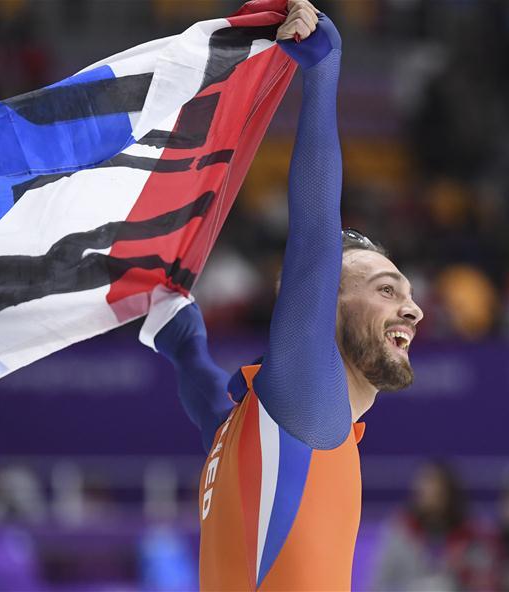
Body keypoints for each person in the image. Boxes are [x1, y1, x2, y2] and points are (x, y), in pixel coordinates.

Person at [138, 1, 424, 588]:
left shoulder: (259, 428)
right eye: (386, 288)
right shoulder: (308, 407)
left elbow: (207, 402)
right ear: (325, 301)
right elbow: (315, 232)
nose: (414, 309)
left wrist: (181, 338)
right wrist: (321, 73)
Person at [373, 461, 493, 591]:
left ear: (448, 494)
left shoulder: (471, 535)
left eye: (436, 492)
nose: (428, 496)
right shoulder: (400, 533)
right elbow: (379, 586)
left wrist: (461, 574)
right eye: (423, 491)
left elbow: (485, 581)